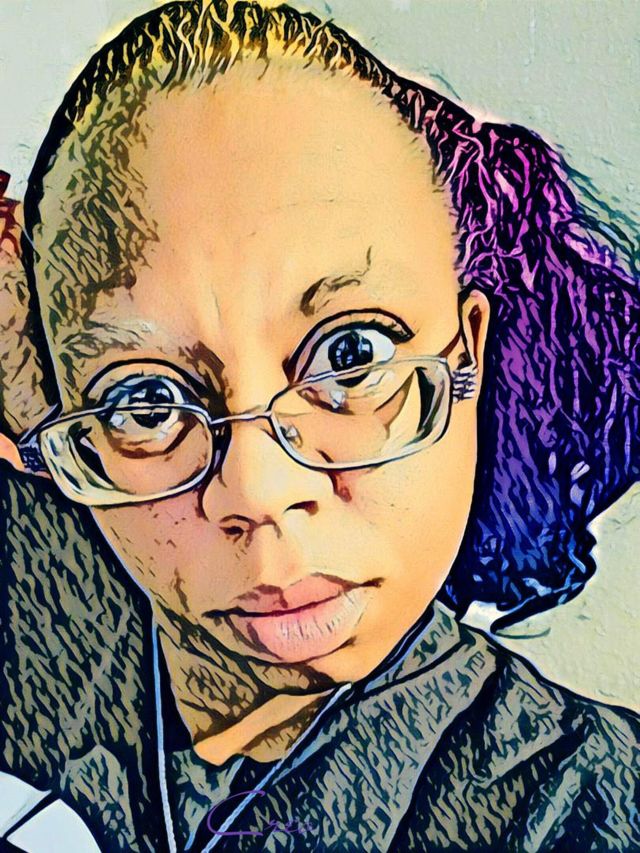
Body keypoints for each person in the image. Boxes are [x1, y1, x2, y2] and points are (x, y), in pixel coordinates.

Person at [1, 1, 638, 850]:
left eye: (351, 354)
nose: (258, 489)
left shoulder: (588, 803)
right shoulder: (43, 606)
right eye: (145, 404)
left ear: (467, 354)